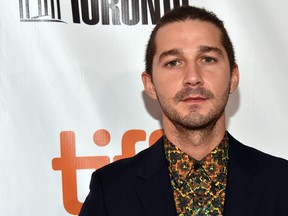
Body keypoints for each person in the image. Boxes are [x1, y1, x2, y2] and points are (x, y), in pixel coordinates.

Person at [79, 6, 288, 216]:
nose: (193, 77)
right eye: (173, 63)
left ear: (233, 77)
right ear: (150, 84)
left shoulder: (282, 183)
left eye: (207, 59)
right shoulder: (111, 190)